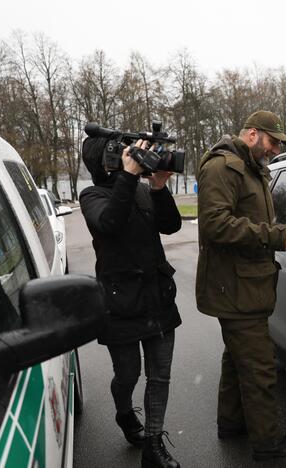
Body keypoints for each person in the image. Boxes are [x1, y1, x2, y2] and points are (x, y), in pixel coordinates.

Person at [196, 110, 286, 461]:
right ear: (252, 135)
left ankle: (230, 423)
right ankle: (267, 442)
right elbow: (215, 225)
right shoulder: (223, 167)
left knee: (237, 358)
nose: (276, 149)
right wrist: (274, 236)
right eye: (273, 141)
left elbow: (251, 217)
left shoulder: (252, 168)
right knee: (260, 367)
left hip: (245, 285)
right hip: (235, 287)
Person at [80, 137, 182, 468]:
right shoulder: (91, 196)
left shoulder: (139, 189)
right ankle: (125, 413)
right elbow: (109, 223)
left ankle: (153, 445)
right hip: (120, 303)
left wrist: (159, 187)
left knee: (160, 375)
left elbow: (171, 225)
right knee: (128, 375)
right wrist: (127, 176)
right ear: (101, 161)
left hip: (157, 298)